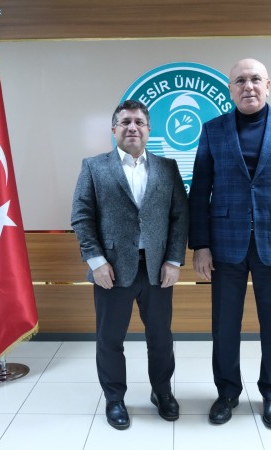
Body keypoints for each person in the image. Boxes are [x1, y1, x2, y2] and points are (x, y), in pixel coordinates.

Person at [188, 58, 271, 429]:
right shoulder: (212, 130)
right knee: (224, 327)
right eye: (241, 80)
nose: (248, 86)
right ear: (231, 89)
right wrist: (200, 245)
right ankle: (227, 393)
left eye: (255, 79)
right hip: (224, 245)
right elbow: (199, 192)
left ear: (268, 85)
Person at [71, 99, 189, 430]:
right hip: (110, 270)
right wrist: (96, 262)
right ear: (114, 129)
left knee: (161, 338)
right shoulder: (94, 167)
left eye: (139, 122)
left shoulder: (168, 168)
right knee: (110, 339)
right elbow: (81, 217)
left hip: (157, 270)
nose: (132, 127)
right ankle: (114, 398)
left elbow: (180, 217)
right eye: (125, 122)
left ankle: (162, 392)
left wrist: (174, 260)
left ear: (149, 130)